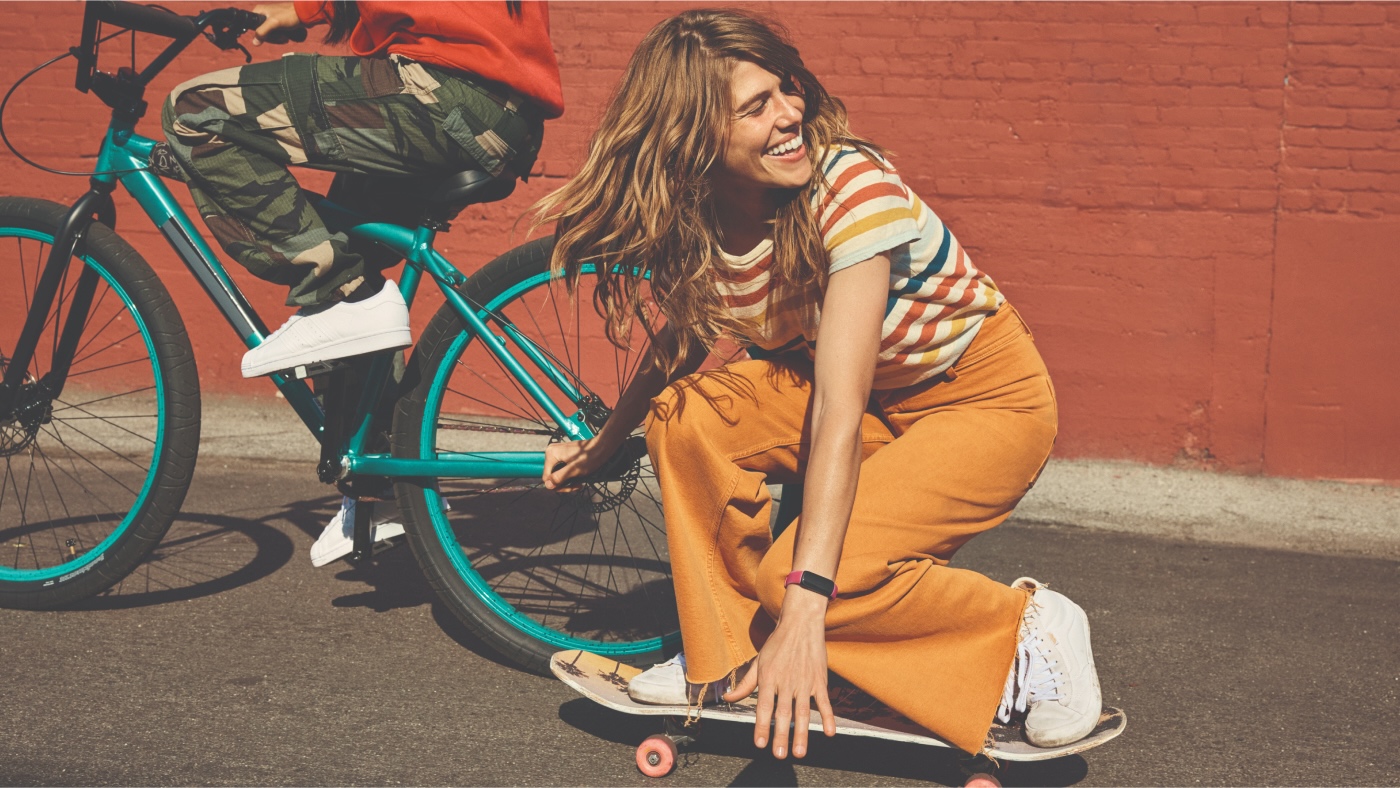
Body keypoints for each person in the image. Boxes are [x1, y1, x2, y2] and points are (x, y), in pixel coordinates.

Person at [535, 9, 1103, 760]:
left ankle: (1025, 626)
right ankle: (728, 658)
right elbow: (682, 341)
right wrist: (604, 446)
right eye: (756, 106)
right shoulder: (705, 216)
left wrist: (802, 610)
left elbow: (837, 409)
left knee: (798, 579)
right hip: (873, 405)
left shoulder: (849, 186)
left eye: (785, 91)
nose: (789, 115)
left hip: (980, 399)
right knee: (684, 414)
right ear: (694, 138)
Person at [159, 1, 563, 566]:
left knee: (196, 109)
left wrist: (305, 9)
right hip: (496, 112)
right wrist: (301, 11)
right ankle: (383, 486)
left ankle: (347, 293)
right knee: (343, 256)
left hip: (440, 93)